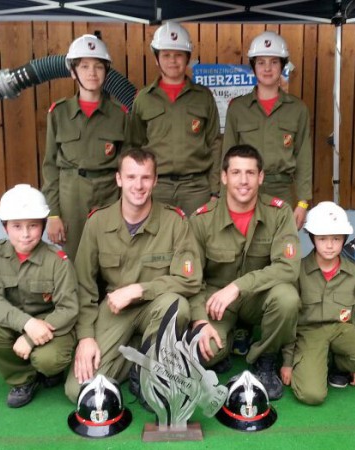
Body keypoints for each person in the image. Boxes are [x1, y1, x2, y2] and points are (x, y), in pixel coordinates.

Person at [64, 148, 202, 404]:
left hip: (155, 306)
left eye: (145, 177)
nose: (138, 186)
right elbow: (83, 286)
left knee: (177, 305)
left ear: (155, 180)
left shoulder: (175, 222)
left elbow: (190, 280)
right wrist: (85, 337)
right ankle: (140, 356)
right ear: (119, 179)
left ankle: (153, 371)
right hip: (115, 311)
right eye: (131, 177)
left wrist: (138, 290)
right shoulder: (97, 222)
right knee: (80, 390)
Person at [189, 144, 301, 400]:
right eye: (236, 172)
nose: (243, 180)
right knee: (203, 354)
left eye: (250, 173)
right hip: (216, 303)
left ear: (260, 177)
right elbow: (191, 280)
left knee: (287, 297)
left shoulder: (279, 213)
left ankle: (265, 358)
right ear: (224, 177)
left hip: (257, 298)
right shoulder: (202, 219)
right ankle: (227, 344)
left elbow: (288, 267)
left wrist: (238, 286)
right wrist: (200, 320)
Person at [0, 184, 79, 408]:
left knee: (49, 360)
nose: (25, 234)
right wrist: (27, 325)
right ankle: (23, 378)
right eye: (17, 226)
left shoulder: (58, 261)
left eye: (33, 225)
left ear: (43, 226)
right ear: (5, 227)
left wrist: (31, 337)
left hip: (51, 327)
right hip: (14, 323)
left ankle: (47, 370)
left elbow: (68, 308)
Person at [280, 201, 355, 405]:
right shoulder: (298, 271)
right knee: (312, 395)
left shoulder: (354, 273)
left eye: (336, 239)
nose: (329, 245)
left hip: (342, 330)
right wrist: (287, 362)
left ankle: (338, 363)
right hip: (309, 333)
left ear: (344, 239)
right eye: (322, 239)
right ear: (312, 238)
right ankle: (319, 361)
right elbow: (289, 321)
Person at [42, 34, 127, 261]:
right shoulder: (59, 113)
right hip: (72, 198)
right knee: (73, 260)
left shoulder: (120, 114)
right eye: (84, 66)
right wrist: (53, 214)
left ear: (106, 72)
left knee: (111, 259)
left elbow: (128, 166)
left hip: (109, 195)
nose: (92, 73)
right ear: (73, 72)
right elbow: (50, 167)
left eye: (98, 66)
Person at [125, 22, 221, 215]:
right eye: (166, 55)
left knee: (197, 234)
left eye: (178, 55)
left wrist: (215, 190)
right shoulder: (143, 99)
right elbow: (133, 146)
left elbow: (215, 144)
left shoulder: (203, 97)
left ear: (187, 58)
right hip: (156, 187)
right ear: (156, 58)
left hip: (196, 188)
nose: (173, 61)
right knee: (156, 235)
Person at [222, 31, 313, 230]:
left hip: (283, 191)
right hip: (244, 190)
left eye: (274, 62)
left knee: (282, 244)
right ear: (253, 66)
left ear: (282, 65)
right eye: (261, 62)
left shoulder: (297, 109)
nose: (267, 68)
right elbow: (227, 157)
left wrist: (303, 202)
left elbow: (304, 157)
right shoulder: (238, 108)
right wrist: (224, 200)